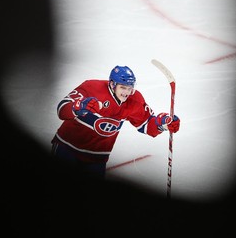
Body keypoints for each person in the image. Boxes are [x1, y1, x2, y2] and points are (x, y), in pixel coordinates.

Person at [51, 65, 180, 179]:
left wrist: (163, 123)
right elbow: (61, 109)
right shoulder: (91, 88)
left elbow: (147, 125)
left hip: (96, 158)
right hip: (67, 148)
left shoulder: (134, 100)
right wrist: (78, 107)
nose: (127, 93)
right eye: (123, 88)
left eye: (130, 88)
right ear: (112, 84)